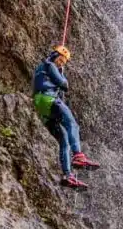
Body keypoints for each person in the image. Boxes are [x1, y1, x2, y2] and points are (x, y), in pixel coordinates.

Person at [32, 45, 99, 190]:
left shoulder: (42, 68)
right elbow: (64, 85)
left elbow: (58, 90)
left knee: (64, 140)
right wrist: (61, 73)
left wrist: (60, 73)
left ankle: (68, 175)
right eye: (61, 60)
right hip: (48, 99)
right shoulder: (49, 65)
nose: (61, 63)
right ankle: (78, 155)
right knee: (72, 124)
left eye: (63, 62)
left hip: (42, 107)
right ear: (55, 55)